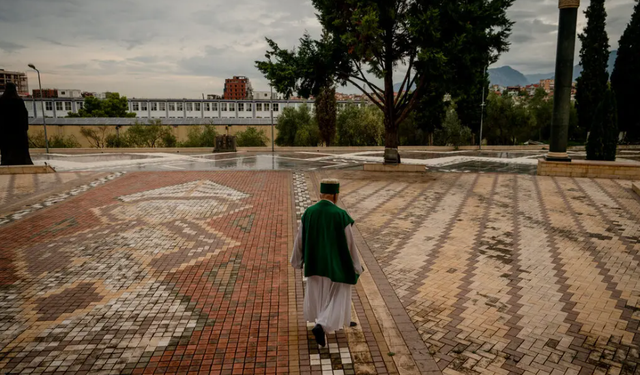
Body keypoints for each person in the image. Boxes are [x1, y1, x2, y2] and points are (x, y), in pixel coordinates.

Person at [291, 179, 364, 347]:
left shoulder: (309, 212)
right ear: (336, 195)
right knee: (338, 294)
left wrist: (297, 261)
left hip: (314, 263)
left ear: (321, 194)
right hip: (337, 265)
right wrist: (356, 266)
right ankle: (322, 325)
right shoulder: (340, 214)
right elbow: (350, 244)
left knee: (319, 294)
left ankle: (342, 320)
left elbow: (300, 239)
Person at [0, 82, 33, 166]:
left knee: (7, 147)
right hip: (19, 131)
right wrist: (25, 128)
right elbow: (24, 114)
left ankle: (7, 160)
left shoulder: (1, 100)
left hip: (5, 130)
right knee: (20, 148)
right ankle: (21, 161)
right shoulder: (18, 101)